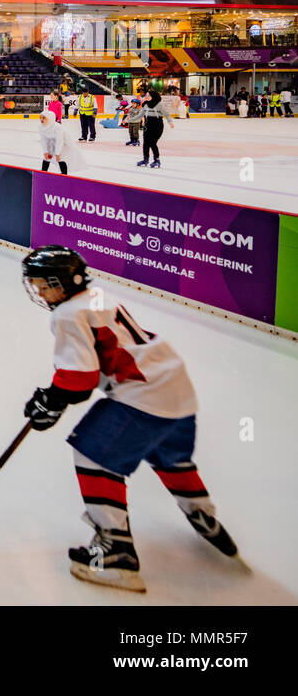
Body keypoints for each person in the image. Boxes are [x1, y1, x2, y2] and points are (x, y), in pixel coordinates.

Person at [19, 246, 238, 592]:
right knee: (171, 457)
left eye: (45, 285)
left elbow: (80, 378)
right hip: (175, 386)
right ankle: (203, 515)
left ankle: (116, 552)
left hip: (144, 397)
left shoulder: (65, 315)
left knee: (92, 453)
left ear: (64, 282)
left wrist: (52, 398)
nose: (41, 293)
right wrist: (56, 399)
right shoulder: (95, 297)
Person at [133, 91, 174, 167]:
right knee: (146, 143)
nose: (146, 96)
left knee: (152, 143)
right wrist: (132, 120)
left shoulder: (159, 105)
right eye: (146, 95)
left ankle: (157, 160)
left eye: (148, 95)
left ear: (153, 96)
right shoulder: (145, 104)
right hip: (148, 124)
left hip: (157, 125)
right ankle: (145, 159)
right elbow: (141, 114)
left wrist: (170, 122)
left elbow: (167, 114)